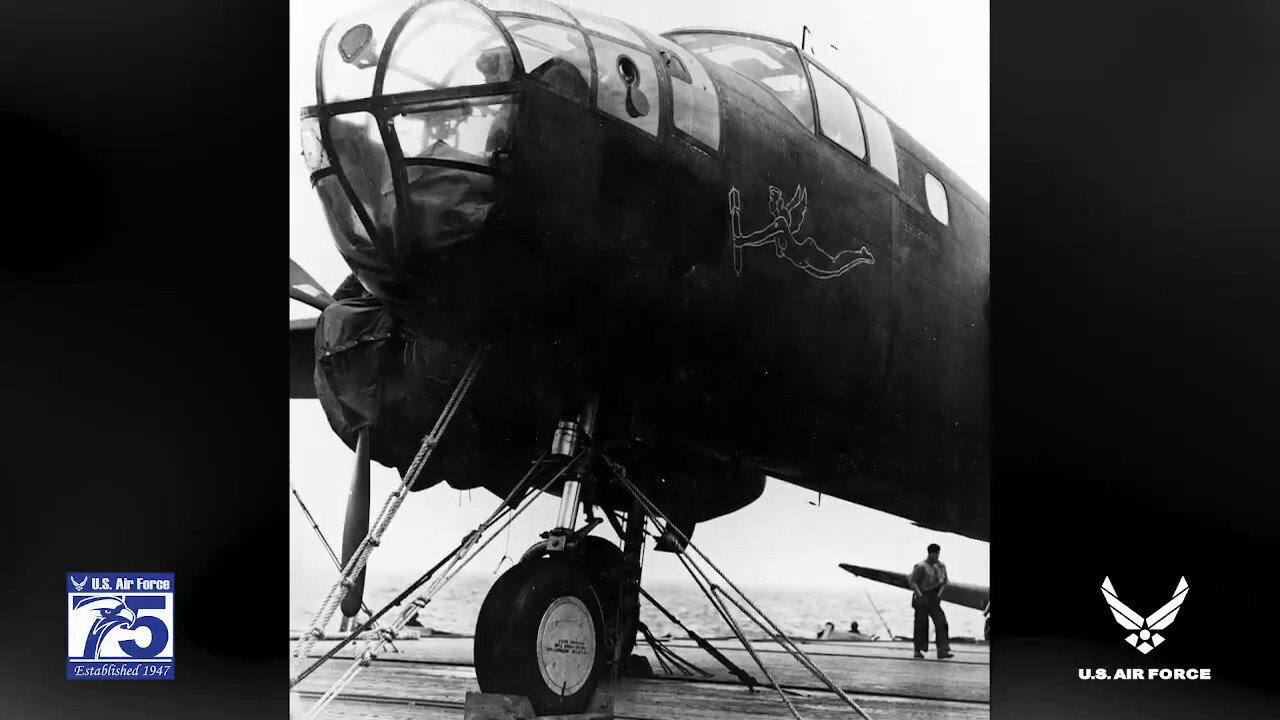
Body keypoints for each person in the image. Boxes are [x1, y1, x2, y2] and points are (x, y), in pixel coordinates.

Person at [909, 543, 953, 659]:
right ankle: (917, 650)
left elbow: (945, 582)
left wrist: (939, 595)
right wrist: (919, 594)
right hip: (922, 595)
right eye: (935, 553)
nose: (937, 555)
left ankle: (942, 650)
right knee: (921, 624)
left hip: (934, 596)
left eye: (938, 553)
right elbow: (912, 581)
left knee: (941, 622)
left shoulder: (941, 566)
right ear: (930, 553)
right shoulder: (921, 566)